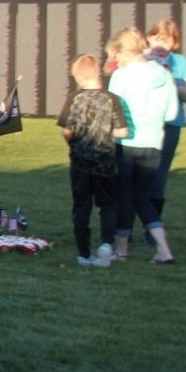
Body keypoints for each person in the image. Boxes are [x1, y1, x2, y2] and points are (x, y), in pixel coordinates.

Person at [107, 28, 177, 263]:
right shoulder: (164, 75)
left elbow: (112, 113)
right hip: (154, 144)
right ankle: (163, 250)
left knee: (123, 197)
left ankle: (122, 250)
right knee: (142, 199)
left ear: (122, 52)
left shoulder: (121, 76)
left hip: (126, 144)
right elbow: (172, 114)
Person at [56, 54, 128, 268]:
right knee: (108, 205)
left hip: (80, 163)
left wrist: (75, 144)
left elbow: (66, 130)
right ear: (98, 73)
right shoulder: (111, 99)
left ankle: (83, 254)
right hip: (106, 162)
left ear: (78, 77)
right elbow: (122, 131)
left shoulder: (74, 98)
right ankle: (106, 243)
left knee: (81, 207)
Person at [145, 19, 186, 228]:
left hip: (169, 125)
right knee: (130, 176)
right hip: (141, 125)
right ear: (148, 38)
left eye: (165, 40)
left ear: (174, 43)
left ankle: (152, 227)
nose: (159, 44)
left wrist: (172, 79)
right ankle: (124, 230)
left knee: (158, 177)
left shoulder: (180, 63)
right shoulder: (139, 59)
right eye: (156, 37)